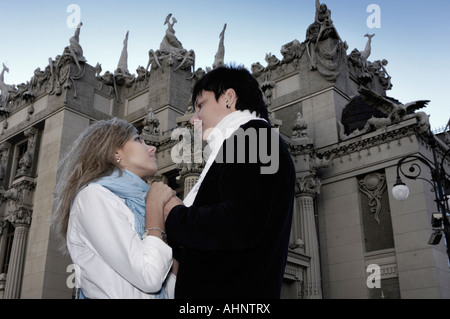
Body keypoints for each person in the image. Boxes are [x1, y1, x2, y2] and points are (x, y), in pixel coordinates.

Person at [162, 65, 296, 299]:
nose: (194, 119)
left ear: (229, 98)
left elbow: (240, 223)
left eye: (200, 105)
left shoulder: (254, 137)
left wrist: (174, 214)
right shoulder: (244, 141)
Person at [52, 118, 177, 299]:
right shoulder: (92, 197)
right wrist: (155, 206)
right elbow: (149, 277)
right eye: (138, 139)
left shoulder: (141, 200)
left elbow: (169, 289)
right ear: (115, 151)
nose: (152, 148)